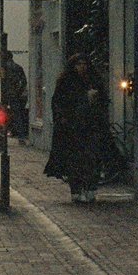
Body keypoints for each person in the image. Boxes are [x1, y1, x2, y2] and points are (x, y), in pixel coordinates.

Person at [43, 54, 108, 203]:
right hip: (72, 128)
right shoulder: (66, 82)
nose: (82, 67)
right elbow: (59, 102)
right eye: (79, 64)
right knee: (75, 159)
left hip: (91, 126)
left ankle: (90, 188)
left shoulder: (94, 80)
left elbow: (103, 101)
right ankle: (77, 189)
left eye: (84, 64)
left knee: (91, 158)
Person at [1, 50, 29, 144]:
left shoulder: (2, 68)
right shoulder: (18, 67)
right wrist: (18, 92)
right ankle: (21, 136)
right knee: (17, 115)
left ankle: (1, 135)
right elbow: (24, 82)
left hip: (5, 94)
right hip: (15, 94)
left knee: (2, 114)